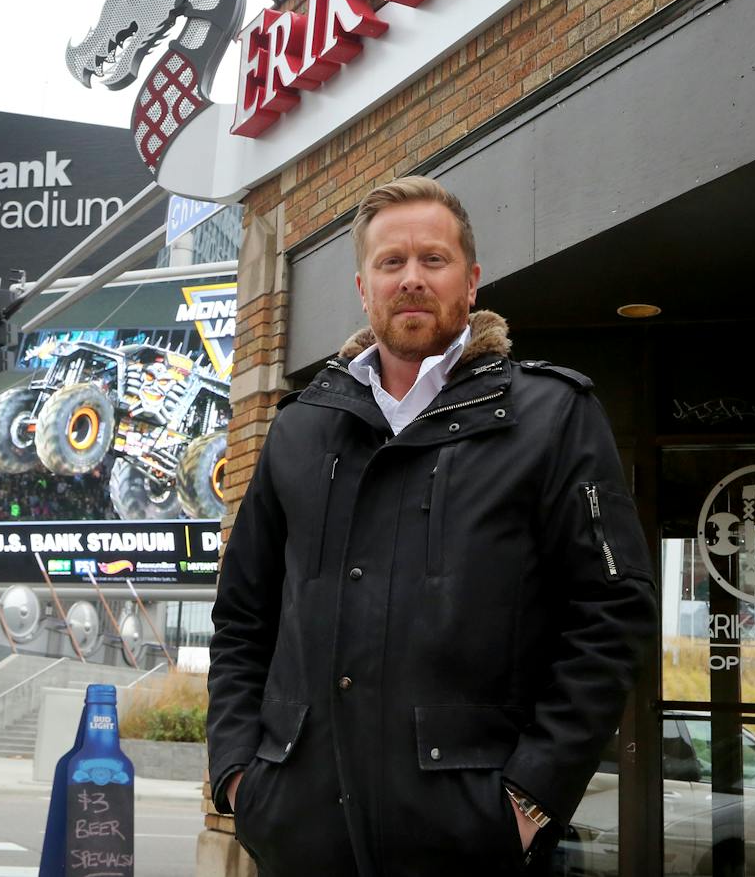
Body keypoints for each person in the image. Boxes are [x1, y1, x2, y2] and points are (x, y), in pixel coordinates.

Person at [208, 176, 656, 877]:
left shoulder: (551, 416)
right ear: (364, 287)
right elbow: (243, 616)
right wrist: (239, 774)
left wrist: (529, 799)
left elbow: (613, 613)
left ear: (471, 282)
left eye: (433, 260)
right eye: (392, 263)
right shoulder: (300, 429)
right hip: (300, 834)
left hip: (466, 840)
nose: (411, 279)